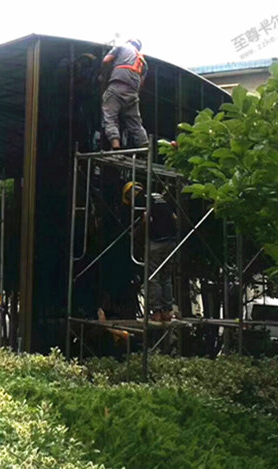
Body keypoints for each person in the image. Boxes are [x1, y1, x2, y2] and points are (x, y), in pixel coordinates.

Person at [122, 182, 177, 322]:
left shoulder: (141, 199)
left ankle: (156, 311)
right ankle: (167, 311)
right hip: (171, 241)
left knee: (153, 277)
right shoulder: (158, 197)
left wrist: (135, 234)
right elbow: (174, 217)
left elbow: (146, 219)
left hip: (156, 241)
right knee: (166, 277)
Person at [101, 39, 148, 150]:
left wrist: (105, 77)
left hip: (117, 85)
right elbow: (141, 84)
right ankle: (145, 148)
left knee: (110, 117)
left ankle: (115, 146)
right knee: (135, 123)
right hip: (133, 93)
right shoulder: (143, 62)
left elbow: (106, 61)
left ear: (129, 42)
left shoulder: (122, 46)